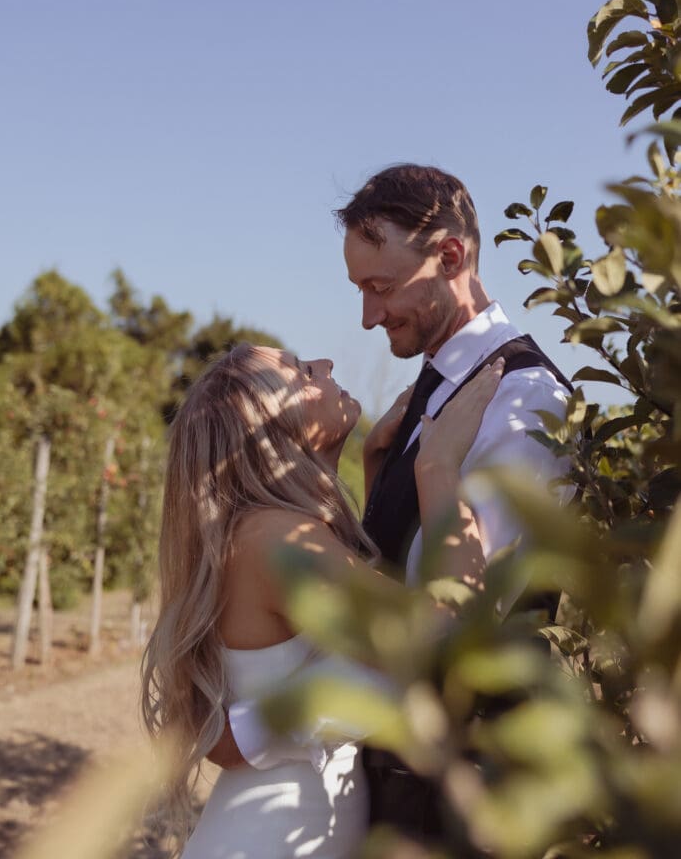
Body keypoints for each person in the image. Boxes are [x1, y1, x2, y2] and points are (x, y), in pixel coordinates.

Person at [141, 340, 504, 858]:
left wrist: (373, 471)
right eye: (302, 371)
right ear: (271, 426)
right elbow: (441, 628)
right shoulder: (276, 540)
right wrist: (438, 467)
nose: (327, 365)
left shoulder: (263, 533)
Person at [334, 162, 573, 840]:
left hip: (462, 787)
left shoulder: (523, 399)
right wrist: (376, 470)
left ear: (449, 257)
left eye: (379, 288)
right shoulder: (438, 386)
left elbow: (461, 617)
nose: (367, 316)